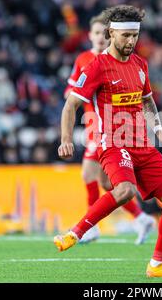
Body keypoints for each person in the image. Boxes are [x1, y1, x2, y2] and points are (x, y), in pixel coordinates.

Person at [55, 5, 162, 278]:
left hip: (143, 143)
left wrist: (160, 132)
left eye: (134, 36)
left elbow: (147, 100)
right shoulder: (96, 66)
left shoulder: (140, 65)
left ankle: (157, 264)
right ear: (111, 33)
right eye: (125, 36)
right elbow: (70, 106)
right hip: (112, 143)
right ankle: (76, 233)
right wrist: (66, 139)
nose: (131, 42)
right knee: (124, 189)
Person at [63, 13, 155, 244]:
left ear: (110, 35)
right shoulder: (85, 60)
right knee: (106, 182)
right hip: (92, 121)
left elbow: (142, 97)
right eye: (95, 33)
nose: (99, 38)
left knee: (88, 173)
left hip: (105, 127)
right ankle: (141, 217)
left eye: (102, 34)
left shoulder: (119, 62)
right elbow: (72, 93)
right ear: (90, 36)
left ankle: (91, 227)